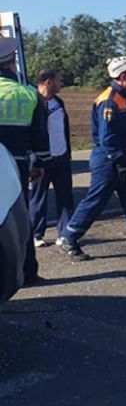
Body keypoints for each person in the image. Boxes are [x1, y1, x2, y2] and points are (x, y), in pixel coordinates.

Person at [59, 57, 126, 261]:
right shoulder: (109, 100)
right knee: (96, 200)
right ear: (124, 75)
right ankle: (69, 237)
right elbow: (107, 139)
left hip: (122, 156)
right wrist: (120, 161)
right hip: (108, 159)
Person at [0, 38, 49, 285]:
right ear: (11, 64)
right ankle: (27, 272)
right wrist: (39, 163)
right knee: (19, 218)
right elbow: (39, 136)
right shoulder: (28, 92)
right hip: (15, 166)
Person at [28, 69, 75, 248]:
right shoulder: (34, 102)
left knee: (65, 197)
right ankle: (36, 234)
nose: (61, 84)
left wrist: (67, 153)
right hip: (42, 159)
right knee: (39, 197)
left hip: (61, 157)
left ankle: (64, 233)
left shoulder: (59, 102)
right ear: (48, 82)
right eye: (58, 80)